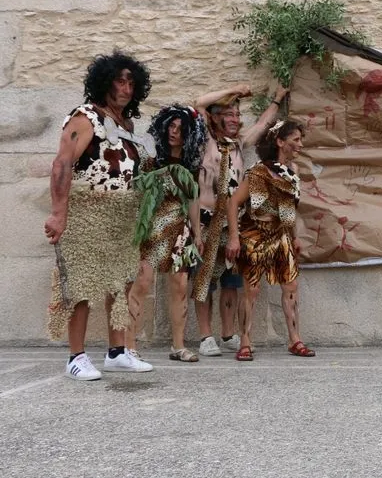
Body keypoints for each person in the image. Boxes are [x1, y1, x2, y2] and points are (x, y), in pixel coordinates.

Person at [45, 49, 155, 380]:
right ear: (104, 82)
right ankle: (75, 357)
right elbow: (63, 163)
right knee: (82, 283)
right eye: (120, 81)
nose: (126, 88)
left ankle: (117, 352)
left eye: (131, 82)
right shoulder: (86, 117)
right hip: (87, 212)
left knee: (119, 283)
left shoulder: (126, 125)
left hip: (121, 217)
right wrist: (58, 214)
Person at [192, 84, 288, 356]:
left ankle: (227, 333)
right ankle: (205, 336)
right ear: (215, 118)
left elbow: (263, 125)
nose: (235, 119)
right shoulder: (204, 141)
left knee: (231, 282)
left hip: (232, 223)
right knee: (204, 281)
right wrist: (236, 89)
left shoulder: (237, 145)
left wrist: (277, 99)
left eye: (237, 114)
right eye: (228, 114)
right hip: (206, 222)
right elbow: (199, 102)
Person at [226, 119, 314, 361]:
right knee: (251, 290)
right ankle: (245, 341)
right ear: (280, 142)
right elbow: (233, 202)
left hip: (281, 235)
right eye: (296, 139)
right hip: (255, 234)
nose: (300, 144)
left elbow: (288, 207)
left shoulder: (293, 172)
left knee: (291, 286)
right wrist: (233, 237)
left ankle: (295, 339)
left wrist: (294, 236)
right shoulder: (258, 172)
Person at [133, 105, 207, 362]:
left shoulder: (190, 165)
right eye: (171, 127)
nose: (174, 132)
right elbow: (137, 190)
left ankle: (178, 346)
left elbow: (193, 198)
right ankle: (128, 346)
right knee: (142, 282)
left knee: (180, 286)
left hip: (179, 230)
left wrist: (197, 233)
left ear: (190, 135)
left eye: (181, 129)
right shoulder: (151, 158)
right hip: (150, 228)